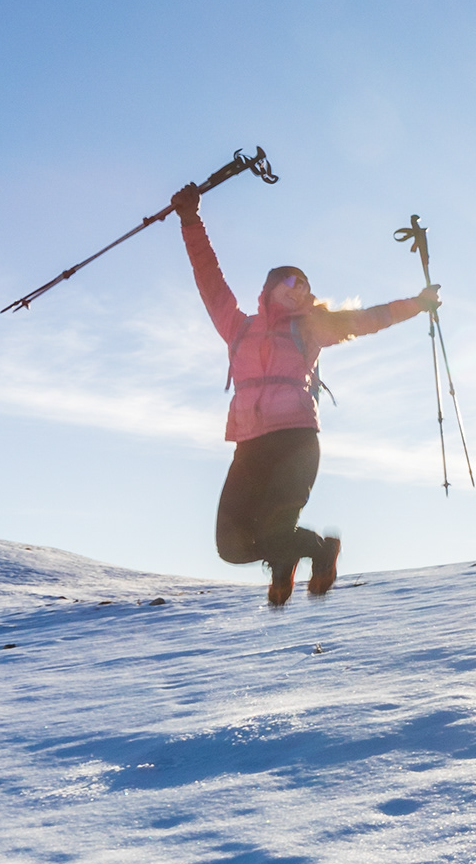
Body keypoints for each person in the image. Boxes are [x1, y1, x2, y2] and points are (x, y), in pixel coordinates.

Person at [172, 185, 439, 604]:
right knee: (231, 546)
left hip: (295, 442)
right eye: (291, 281)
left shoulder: (311, 327)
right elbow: (209, 278)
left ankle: (313, 551)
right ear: (269, 288)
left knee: (276, 528)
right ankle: (293, 554)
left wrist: (418, 304)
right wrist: (190, 219)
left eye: (305, 285)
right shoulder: (237, 327)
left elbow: (369, 319)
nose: (299, 289)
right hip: (249, 447)